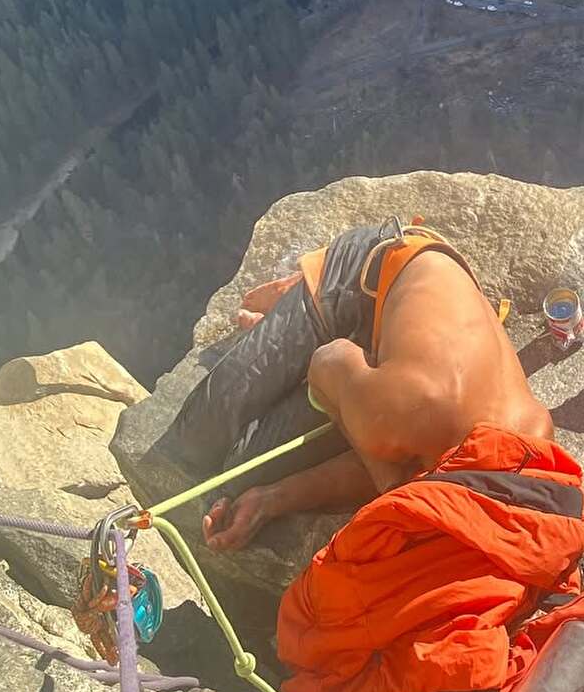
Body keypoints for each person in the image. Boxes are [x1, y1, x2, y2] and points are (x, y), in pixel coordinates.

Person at [199, 224, 554, 552]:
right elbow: (325, 363)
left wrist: (271, 498)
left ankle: (292, 325)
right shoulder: (409, 413)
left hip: (424, 322)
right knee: (202, 432)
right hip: (372, 265)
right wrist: (388, 482)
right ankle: (305, 288)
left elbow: (397, 465)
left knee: (240, 478)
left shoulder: (533, 447)